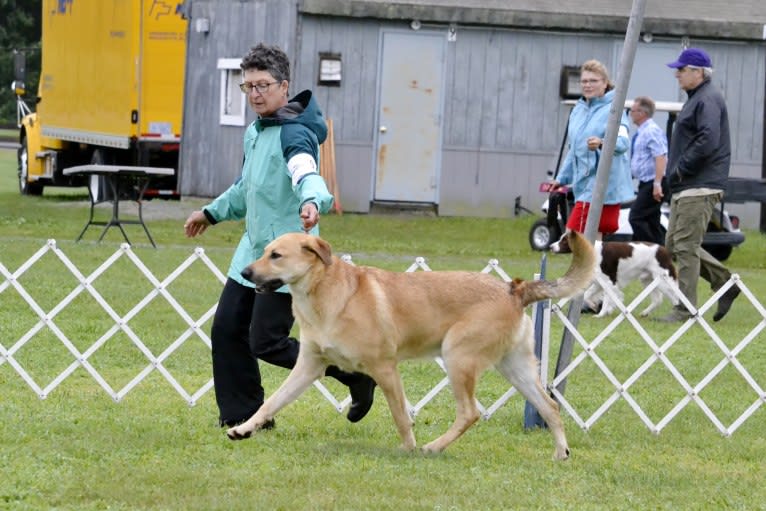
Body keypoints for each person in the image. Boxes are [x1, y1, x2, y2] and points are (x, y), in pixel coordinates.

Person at [183, 43, 376, 427]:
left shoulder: (294, 133)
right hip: (253, 253)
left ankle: (355, 375)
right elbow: (245, 189)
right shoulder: (256, 132)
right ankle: (244, 415)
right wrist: (210, 213)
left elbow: (306, 172)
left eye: (262, 86)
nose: (254, 94)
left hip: (290, 260)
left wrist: (312, 202)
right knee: (225, 331)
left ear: (284, 86)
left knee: (266, 341)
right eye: (248, 87)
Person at [659, 47, 740, 323]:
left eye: (681, 70)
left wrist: (681, 169)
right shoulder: (697, 99)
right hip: (688, 184)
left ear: (698, 72)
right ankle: (725, 283)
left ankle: (685, 309)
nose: (676, 74)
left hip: (700, 183)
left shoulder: (708, 99)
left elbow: (708, 140)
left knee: (684, 245)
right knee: (673, 244)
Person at [551, 59, 634, 240]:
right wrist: (561, 179)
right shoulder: (578, 110)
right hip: (583, 186)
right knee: (590, 242)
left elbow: (623, 143)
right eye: (584, 81)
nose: (587, 85)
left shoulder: (615, 109)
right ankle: (595, 269)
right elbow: (573, 150)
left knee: (575, 236)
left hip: (603, 187)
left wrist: (603, 142)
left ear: (605, 83)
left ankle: (590, 268)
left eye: (593, 81)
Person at [628, 96, 668, 244]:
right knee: (651, 220)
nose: (630, 114)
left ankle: (650, 250)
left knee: (636, 216)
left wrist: (657, 184)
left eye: (632, 110)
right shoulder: (642, 132)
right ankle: (659, 250)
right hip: (646, 182)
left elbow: (660, 156)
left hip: (654, 182)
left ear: (641, 113)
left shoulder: (651, 131)